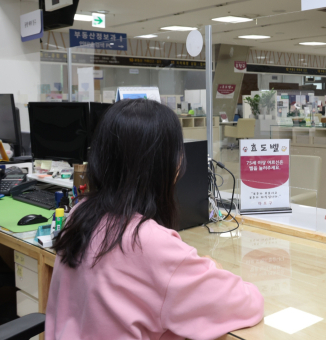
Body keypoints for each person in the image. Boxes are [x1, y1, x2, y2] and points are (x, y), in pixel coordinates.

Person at [47, 99, 263, 339]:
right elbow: (247, 302)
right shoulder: (149, 243)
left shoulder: (80, 213)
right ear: (169, 164)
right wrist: (212, 268)